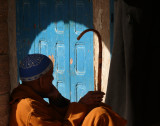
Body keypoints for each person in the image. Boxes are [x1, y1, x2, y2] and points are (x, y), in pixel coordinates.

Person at [9, 54, 126, 126]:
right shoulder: (28, 108)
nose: (53, 79)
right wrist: (81, 104)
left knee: (97, 108)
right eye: (50, 76)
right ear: (41, 81)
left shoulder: (33, 98)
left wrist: (56, 97)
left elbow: (62, 115)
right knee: (100, 115)